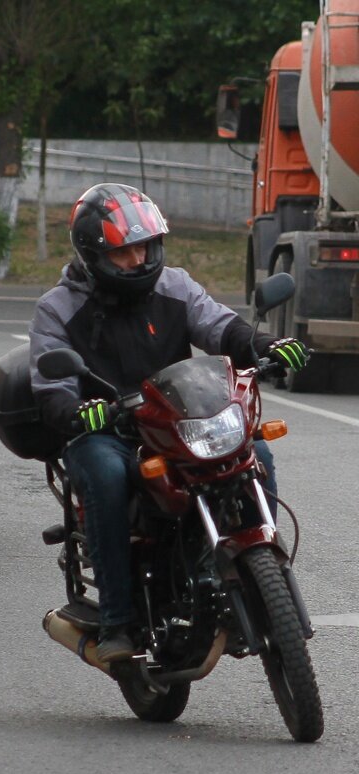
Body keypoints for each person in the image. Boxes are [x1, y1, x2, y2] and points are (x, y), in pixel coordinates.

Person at [28, 183, 309, 663]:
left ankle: (255, 578)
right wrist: (77, 410)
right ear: (94, 254)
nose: (139, 259)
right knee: (105, 473)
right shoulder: (58, 308)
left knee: (255, 452)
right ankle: (117, 618)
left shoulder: (174, 286)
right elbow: (50, 385)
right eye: (124, 252)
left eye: (145, 246)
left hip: (176, 423)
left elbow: (221, 327)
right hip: (110, 431)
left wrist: (265, 347)